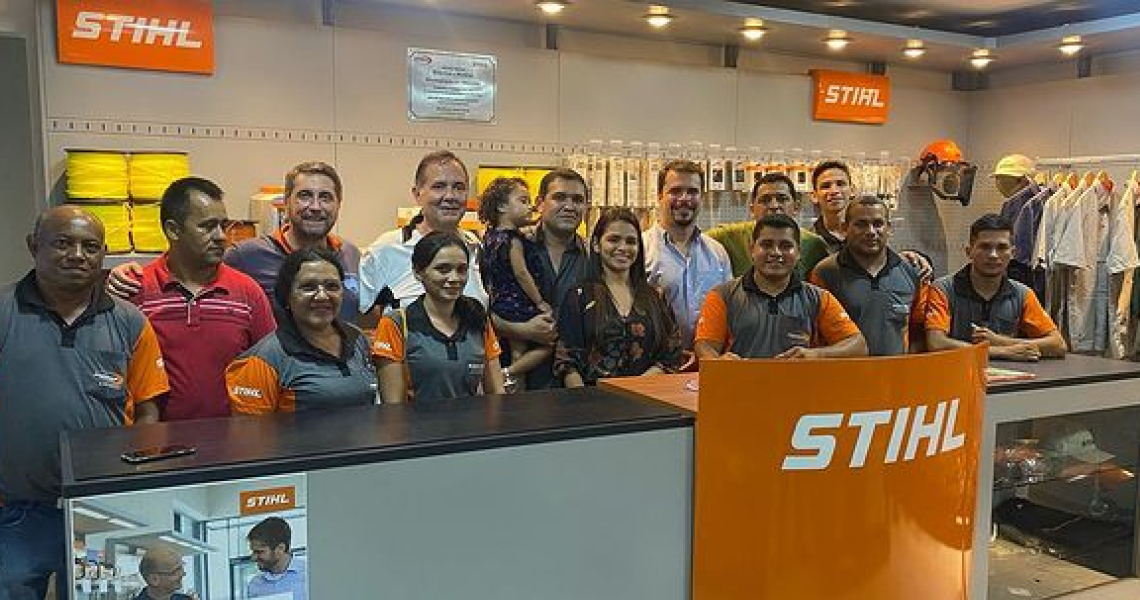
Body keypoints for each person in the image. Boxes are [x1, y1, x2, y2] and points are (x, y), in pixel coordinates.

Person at [0, 206, 168, 600]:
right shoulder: (4, 313)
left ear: (103, 254)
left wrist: (132, 484)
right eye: (63, 243)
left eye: (90, 247)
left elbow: (148, 408)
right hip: (17, 510)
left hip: (100, 512)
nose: (77, 255)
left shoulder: (130, 322)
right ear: (33, 247)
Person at [107, 161, 363, 323]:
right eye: (305, 196)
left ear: (339, 204)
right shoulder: (246, 256)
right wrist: (132, 273)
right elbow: (191, 267)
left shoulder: (351, 255)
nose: (315, 206)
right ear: (286, 202)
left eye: (326, 197)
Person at [129, 177, 276, 420]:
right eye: (207, 227)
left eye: (223, 225)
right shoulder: (138, 291)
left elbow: (273, 368)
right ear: (173, 230)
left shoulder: (247, 293)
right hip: (159, 438)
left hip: (236, 437)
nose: (221, 236)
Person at [694, 214, 867, 359]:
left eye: (785, 246)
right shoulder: (722, 296)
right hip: (740, 387)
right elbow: (705, 346)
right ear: (752, 249)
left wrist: (816, 354)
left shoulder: (818, 298)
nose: (776, 253)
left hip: (800, 388)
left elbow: (858, 345)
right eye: (766, 245)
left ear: (798, 253)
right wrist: (719, 363)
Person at [227, 248, 377, 413]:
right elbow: (251, 429)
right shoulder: (263, 360)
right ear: (287, 296)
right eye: (308, 287)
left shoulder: (357, 339)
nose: (322, 296)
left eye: (332, 286)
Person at [555, 208, 683, 387]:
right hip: (591, 399)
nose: (623, 248)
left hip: (646, 398)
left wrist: (634, 390)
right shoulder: (579, 296)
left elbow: (670, 354)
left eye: (631, 241)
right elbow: (567, 361)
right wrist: (584, 400)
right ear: (596, 245)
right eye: (613, 239)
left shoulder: (655, 297)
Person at [373, 232, 506, 402]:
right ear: (418, 272)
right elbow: (393, 407)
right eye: (443, 269)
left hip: (472, 419)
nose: (454, 278)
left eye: (461, 270)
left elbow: (496, 393)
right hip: (417, 419)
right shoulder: (396, 323)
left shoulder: (477, 317)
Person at [493, 168, 590, 390]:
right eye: (559, 197)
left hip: (575, 386)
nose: (569, 206)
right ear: (539, 203)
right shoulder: (508, 248)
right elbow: (480, 312)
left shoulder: (593, 258)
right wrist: (519, 330)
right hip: (513, 382)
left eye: (577, 200)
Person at [358, 150, 486, 314]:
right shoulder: (385, 250)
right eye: (439, 187)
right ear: (417, 194)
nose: (450, 196)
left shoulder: (478, 249)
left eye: (458, 187)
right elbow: (361, 317)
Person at [926, 214, 1067, 361]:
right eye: (985, 247)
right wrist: (1000, 351)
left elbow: (1058, 345)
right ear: (969, 251)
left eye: (1002, 247)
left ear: (1012, 253)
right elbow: (936, 343)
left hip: (1012, 375)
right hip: (956, 373)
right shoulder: (943, 289)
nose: (993, 255)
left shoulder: (1023, 294)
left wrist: (1000, 341)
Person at [810, 197, 926, 356]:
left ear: (889, 228)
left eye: (878, 224)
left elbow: (919, 333)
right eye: (861, 224)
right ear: (845, 228)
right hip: (842, 370)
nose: (871, 232)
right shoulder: (825, 273)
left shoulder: (911, 272)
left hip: (896, 371)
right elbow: (814, 335)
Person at [642, 159, 732, 352]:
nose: (684, 199)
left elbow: (729, 313)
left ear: (702, 197)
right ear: (660, 196)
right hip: (656, 363)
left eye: (692, 192)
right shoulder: (641, 250)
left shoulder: (718, 253)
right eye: (675, 191)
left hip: (708, 362)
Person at [477, 177, 551, 390]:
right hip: (517, 302)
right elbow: (521, 273)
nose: (530, 207)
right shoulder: (513, 240)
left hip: (499, 301)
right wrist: (539, 302)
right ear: (502, 206)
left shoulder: (489, 237)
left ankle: (509, 378)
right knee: (545, 344)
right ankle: (511, 377)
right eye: (523, 201)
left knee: (513, 348)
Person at [706, 172, 829, 278]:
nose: (774, 206)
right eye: (765, 200)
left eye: (782, 199)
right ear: (752, 209)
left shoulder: (814, 245)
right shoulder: (728, 237)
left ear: (796, 207)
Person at [247, 517, 307, 600]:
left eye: (259, 552)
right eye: (253, 551)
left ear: (280, 548)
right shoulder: (254, 585)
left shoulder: (308, 575)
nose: (253, 558)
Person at [811, 160, 853, 254]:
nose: (834, 191)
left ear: (852, 190)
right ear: (814, 196)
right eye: (826, 186)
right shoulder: (807, 242)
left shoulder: (864, 236)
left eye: (840, 184)